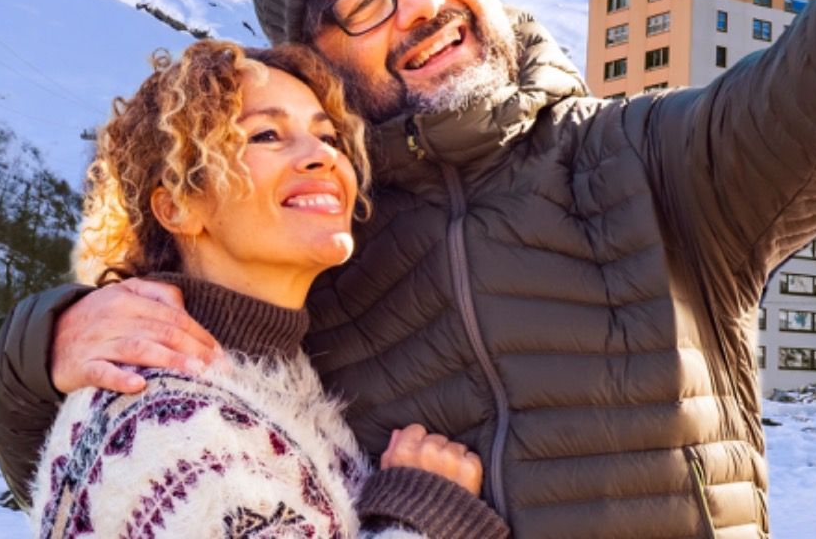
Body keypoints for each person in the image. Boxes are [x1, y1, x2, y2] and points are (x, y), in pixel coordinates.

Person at [0, 0, 816, 537]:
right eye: (365, 2)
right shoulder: (318, 252)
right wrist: (44, 349)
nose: (420, 5)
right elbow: (105, 477)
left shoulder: (650, 161)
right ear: (317, 64)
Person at [34, 40, 507, 539]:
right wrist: (428, 511)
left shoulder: (272, 378)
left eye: (328, 137)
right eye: (266, 135)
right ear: (178, 207)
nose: (323, 156)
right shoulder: (159, 416)